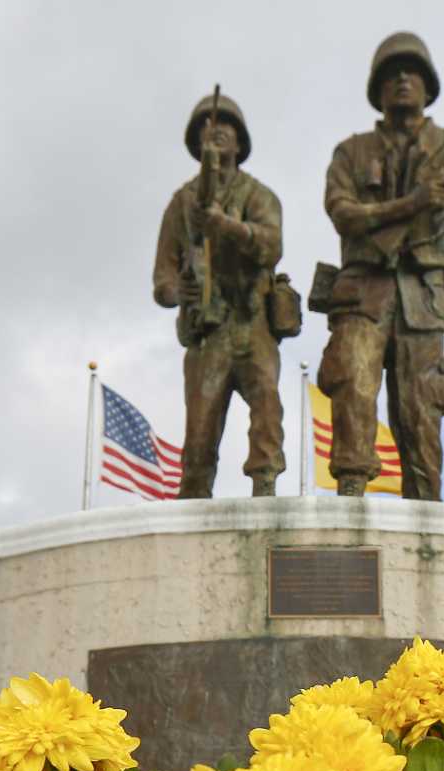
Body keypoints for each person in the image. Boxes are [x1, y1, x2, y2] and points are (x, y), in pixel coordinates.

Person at [316, 32, 444, 500]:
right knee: (354, 387)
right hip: (363, 292)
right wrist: (411, 204)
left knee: (422, 413)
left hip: (423, 297)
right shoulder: (351, 151)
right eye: (392, 74)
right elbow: (342, 213)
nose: (402, 80)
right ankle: (351, 499)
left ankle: (426, 514)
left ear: (427, 86)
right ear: (377, 90)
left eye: (412, 73)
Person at [152, 92, 286, 499]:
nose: (216, 133)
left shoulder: (258, 195)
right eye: (207, 129)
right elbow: (163, 278)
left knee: (266, 408)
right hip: (209, 331)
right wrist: (178, 291)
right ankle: (193, 510)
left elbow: (270, 245)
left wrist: (225, 226)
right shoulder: (181, 203)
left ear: (240, 141)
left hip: (252, 320)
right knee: (199, 438)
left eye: (225, 127)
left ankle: (265, 494)